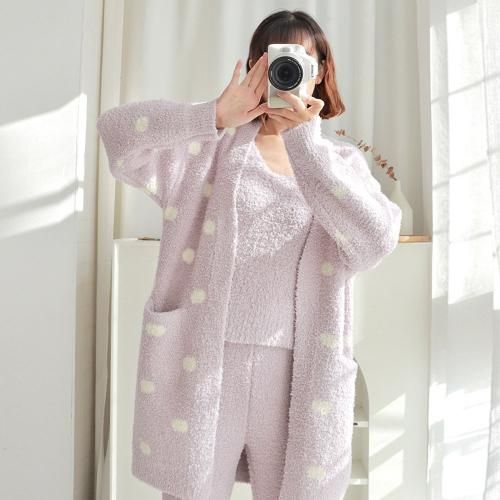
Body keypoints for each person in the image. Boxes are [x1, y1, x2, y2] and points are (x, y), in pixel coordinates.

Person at [97, 9, 401, 500]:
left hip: (296, 375)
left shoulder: (340, 164)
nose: (288, 70)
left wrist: (305, 142)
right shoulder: (206, 151)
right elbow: (117, 133)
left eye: (302, 58)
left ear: (320, 70)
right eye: (275, 57)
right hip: (206, 363)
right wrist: (213, 115)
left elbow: (374, 241)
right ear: (257, 65)